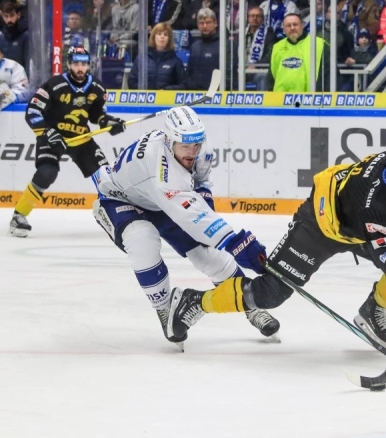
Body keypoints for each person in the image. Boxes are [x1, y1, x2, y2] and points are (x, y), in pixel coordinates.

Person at [166, 135, 386, 348]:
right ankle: (196, 301)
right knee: (270, 293)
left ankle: (374, 310)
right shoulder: (372, 200)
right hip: (321, 226)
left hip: (362, 227)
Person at [91, 106, 280, 347]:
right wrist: (237, 242)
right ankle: (165, 309)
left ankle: (249, 304)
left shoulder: (196, 144)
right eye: (185, 146)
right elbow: (193, 215)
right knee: (142, 239)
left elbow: (201, 181)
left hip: (156, 198)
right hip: (119, 198)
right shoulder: (161, 172)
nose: (192, 151)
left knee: (208, 255)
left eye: (196, 144)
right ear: (169, 141)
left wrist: (206, 201)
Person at [8, 46, 126, 238]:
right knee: (47, 172)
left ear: (89, 65)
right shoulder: (54, 85)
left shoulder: (96, 88)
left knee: (105, 174)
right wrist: (46, 132)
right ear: (69, 64)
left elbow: (96, 115)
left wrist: (109, 122)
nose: (80, 68)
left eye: (84, 64)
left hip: (80, 138)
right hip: (53, 137)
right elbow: (32, 111)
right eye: (76, 64)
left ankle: (119, 215)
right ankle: (18, 216)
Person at [266, 12, 331, 91]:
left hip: (309, 100)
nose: (292, 28)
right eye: (288, 25)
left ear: (302, 26)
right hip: (280, 100)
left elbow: (330, 76)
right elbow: (271, 78)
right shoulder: (276, 47)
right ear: (283, 28)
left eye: (295, 24)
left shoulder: (319, 45)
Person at [128, 22, 188, 89]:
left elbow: (184, 85)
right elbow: (131, 82)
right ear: (154, 37)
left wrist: (167, 90)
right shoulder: (141, 59)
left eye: (165, 35)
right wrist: (146, 89)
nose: (162, 37)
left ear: (169, 39)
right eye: (159, 34)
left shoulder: (176, 61)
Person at [187, 7, 220, 90]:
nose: (205, 26)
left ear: (215, 23)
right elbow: (190, 72)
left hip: (218, 94)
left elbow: (229, 75)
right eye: (201, 23)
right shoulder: (194, 46)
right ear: (198, 25)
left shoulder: (224, 45)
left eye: (208, 22)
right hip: (196, 94)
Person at [0, 42, 29, 110]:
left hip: (11, 111)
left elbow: (23, 92)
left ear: (1, 54)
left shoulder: (14, 67)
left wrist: (4, 97)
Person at [0, 1, 28, 69]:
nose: (9, 20)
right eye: (6, 16)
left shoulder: (26, 35)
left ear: (18, 15)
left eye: (12, 16)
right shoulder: (1, 36)